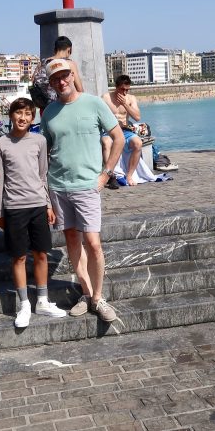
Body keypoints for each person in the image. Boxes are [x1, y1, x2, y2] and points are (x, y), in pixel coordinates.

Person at [42, 58, 123, 323]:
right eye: (55, 79)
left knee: (94, 243)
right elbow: (42, 150)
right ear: (51, 83)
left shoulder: (93, 103)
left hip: (87, 186)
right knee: (72, 242)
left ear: (72, 75)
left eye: (65, 76)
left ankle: (99, 298)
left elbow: (118, 138)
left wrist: (106, 174)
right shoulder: (49, 112)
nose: (61, 81)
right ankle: (86, 294)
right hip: (58, 185)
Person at [0, 98, 67, 328]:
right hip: (14, 207)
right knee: (19, 256)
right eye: (18, 113)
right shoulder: (0, 145)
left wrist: (49, 205)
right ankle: (24, 303)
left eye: (27, 114)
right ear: (10, 116)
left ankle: (42, 301)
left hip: (37, 205)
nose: (22, 118)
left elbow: (43, 175)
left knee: (41, 253)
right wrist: (0, 211)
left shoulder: (40, 141)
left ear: (32, 118)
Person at [100, 74, 144, 186]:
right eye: (122, 89)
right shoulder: (106, 98)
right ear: (116, 87)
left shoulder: (130, 99)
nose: (124, 92)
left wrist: (125, 104)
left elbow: (137, 117)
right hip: (110, 131)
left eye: (127, 90)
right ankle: (110, 175)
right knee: (106, 142)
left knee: (138, 143)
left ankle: (129, 175)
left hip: (125, 130)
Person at [30, 36, 84, 112]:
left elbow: (32, 82)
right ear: (69, 50)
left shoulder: (42, 62)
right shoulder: (68, 63)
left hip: (43, 108)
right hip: (60, 108)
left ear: (55, 49)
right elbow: (80, 89)